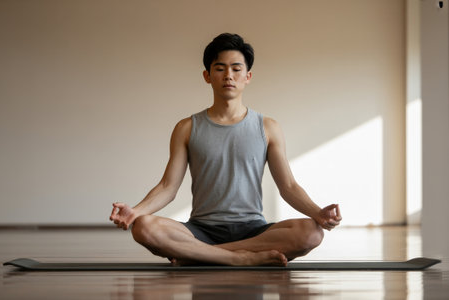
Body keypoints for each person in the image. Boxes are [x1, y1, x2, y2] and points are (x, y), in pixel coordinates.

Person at [109, 33, 342, 266]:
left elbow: (288, 187)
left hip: (254, 230)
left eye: (236, 69)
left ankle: (201, 254)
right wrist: (135, 211)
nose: (228, 75)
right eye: (220, 68)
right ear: (207, 76)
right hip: (201, 229)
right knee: (144, 227)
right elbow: (168, 187)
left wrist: (318, 213)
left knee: (311, 232)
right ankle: (238, 258)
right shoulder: (186, 128)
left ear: (247, 76)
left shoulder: (268, 127)